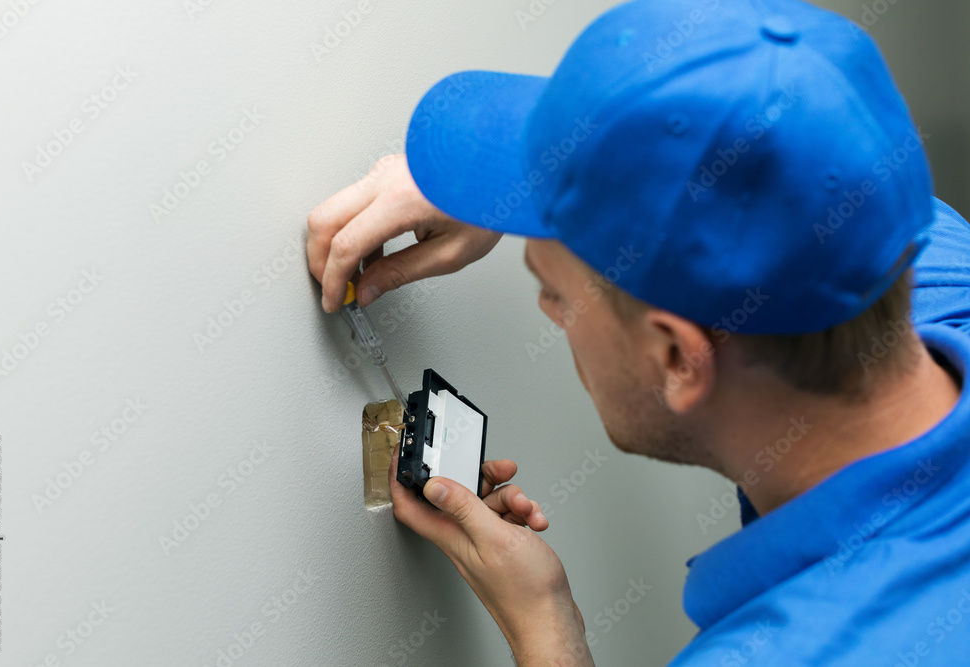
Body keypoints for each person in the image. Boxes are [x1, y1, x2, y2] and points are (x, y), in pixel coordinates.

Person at [307, 0, 970, 664]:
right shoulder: (931, 273)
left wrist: (546, 629)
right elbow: (787, 178)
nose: (549, 310)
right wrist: (518, 187)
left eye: (553, 290)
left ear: (677, 357)